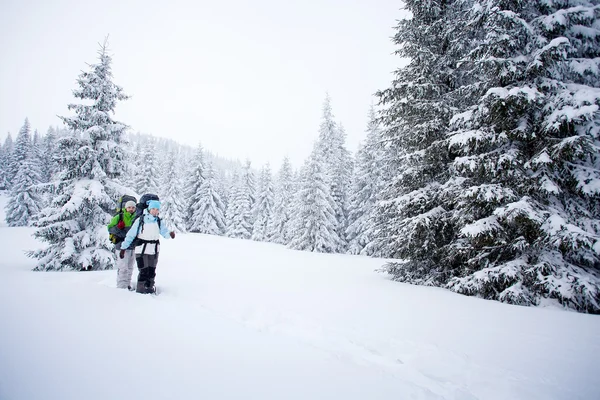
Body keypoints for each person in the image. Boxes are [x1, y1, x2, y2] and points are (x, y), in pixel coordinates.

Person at [120, 200, 175, 294]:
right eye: (153, 208)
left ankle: (150, 289)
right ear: (149, 209)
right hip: (141, 249)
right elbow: (131, 234)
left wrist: (170, 234)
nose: (155, 211)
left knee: (152, 271)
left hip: (154, 250)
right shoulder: (141, 220)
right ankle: (141, 291)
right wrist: (123, 248)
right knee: (143, 271)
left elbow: (164, 232)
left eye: (157, 209)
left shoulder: (158, 221)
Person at [107, 200, 137, 289]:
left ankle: (127, 285)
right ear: (125, 208)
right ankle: (121, 288)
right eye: (129, 207)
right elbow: (110, 228)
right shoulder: (119, 217)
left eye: (133, 207)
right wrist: (118, 227)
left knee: (130, 268)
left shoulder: (136, 217)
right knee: (123, 268)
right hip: (121, 246)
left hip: (132, 247)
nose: (131, 209)